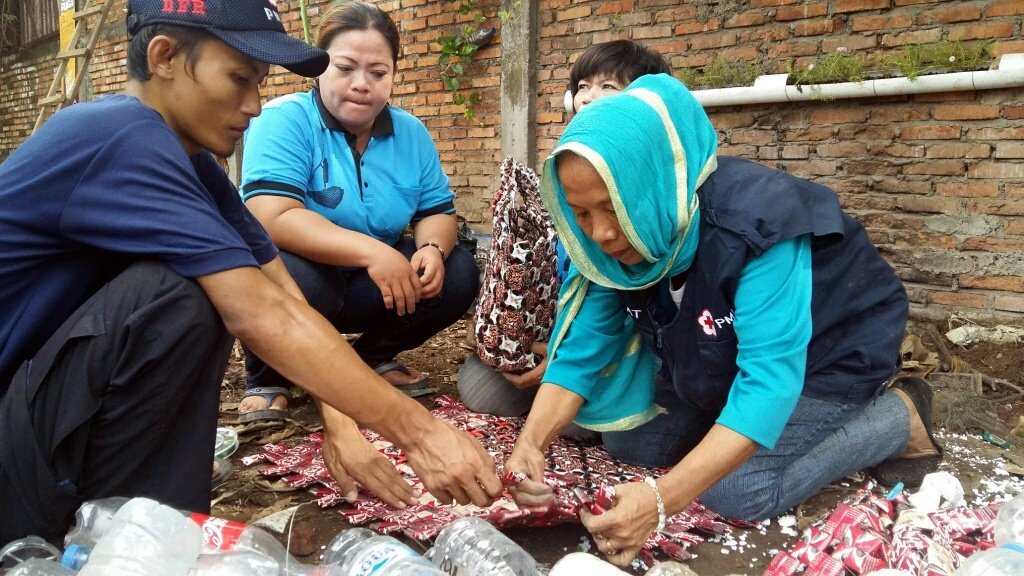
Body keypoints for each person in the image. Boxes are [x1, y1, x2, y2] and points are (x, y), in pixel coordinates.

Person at [0, 0, 500, 544]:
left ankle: (140, 525)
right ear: (165, 56)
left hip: (39, 405)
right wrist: (421, 434)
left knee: (204, 290)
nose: (255, 104)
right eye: (239, 78)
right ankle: (119, 535)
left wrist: (343, 421)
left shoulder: (188, 159)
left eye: (259, 82)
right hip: (13, 433)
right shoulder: (120, 136)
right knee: (179, 295)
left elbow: (282, 297)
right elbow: (259, 312)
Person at [506, 74, 941, 566]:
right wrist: (530, 444)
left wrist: (662, 500)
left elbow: (768, 380)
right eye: (581, 214)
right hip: (720, 355)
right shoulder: (615, 250)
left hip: (830, 353)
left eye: (613, 208)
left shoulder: (755, 228)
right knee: (634, 442)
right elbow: (583, 351)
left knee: (736, 491)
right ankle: (733, 432)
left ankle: (899, 419)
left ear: (652, 185)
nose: (602, 234)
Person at [237, 1, 477, 422]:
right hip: (306, 276)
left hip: (370, 285)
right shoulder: (285, 120)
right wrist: (373, 252)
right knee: (296, 274)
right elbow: (271, 216)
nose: (362, 84)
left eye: (378, 73)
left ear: (393, 75)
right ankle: (269, 374)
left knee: (457, 274)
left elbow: (437, 211)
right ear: (319, 68)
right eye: (345, 68)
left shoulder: (411, 133)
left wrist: (432, 251)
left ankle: (368, 359)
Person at [457, 40, 671, 419]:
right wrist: (494, 324)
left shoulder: (658, 193)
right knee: (481, 393)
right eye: (583, 86)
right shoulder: (562, 176)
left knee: (590, 424)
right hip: (549, 336)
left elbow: (618, 305)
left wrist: (562, 358)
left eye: (609, 87)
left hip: (609, 346)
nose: (588, 98)